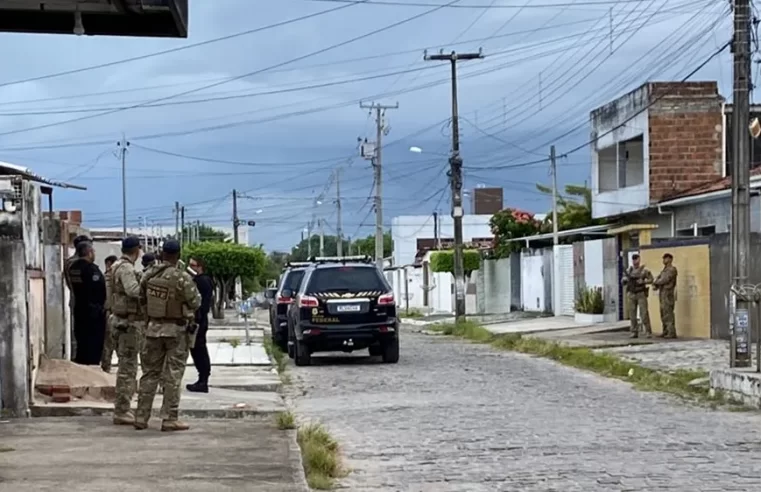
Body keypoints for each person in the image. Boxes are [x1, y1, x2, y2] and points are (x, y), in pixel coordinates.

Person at [135, 240, 201, 431]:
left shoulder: (149, 275)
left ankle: (141, 416)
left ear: (162, 254)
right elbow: (195, 301)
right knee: (172, 375)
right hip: (176, 331)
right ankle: (169, 418)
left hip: (153, 330)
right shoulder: (181, 278)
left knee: (149, 374)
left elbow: (141, 299)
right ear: (178, 255)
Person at [106, 237, 143, 425]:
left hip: (118, 320)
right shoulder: (126, 268)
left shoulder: (116, 266)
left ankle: (123, 408)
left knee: (125, 367)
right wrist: (147, 283)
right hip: (127, 324)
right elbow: (133, 291)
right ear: (136, 250)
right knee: (127, 369)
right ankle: (122, 409)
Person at [68, 241, 107, 364]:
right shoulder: (91, 269)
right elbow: (100, 289)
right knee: (94, 344)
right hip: (93, 312)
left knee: (81, 342)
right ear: (89, 253)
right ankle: (92, 369)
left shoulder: (73, 268)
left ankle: (81, 367)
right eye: (93, 251)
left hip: (79, 309)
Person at [186, 256, 214, 393]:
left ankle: (203, 380)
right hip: (200, 319)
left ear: (200, 266)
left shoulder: (201, 281)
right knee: (197, 349)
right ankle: (202, 379)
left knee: (199, 350)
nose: (190, 267)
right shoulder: (205, 280)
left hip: (198, 320)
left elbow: (200, 303)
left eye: (193, 265)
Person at [622, 254, 654, 339]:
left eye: (636, 259)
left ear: (639, 260)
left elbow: (651, 279)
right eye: (633, 260)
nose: (635, 261)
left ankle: (648, 331)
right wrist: (625, 280)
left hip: (641, 293)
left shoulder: (644, 271)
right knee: (632, 315)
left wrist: (643, 281)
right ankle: (634, 331)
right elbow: (623, 280)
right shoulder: (629, 270)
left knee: (644, 313)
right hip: (631, 294)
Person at [101, 255, 120, 373]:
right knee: (118, 343)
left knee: (108, 343)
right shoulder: (120, 276)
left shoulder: (106, 278)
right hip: (119, 313)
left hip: (110, 312)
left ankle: (106, 367)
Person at [653, 252, 678, 339]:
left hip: (668, 293)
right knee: (663, 313)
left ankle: (671, 332)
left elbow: (664, 280)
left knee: (668, 313)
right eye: (663, 258)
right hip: (662, 293)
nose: (664, 260)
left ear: (670, 259)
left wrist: (656, 282)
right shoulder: (664, 270)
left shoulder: (672, 270)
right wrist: (656, 283)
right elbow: (658, 278)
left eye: (666, 258)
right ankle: (665, 331)